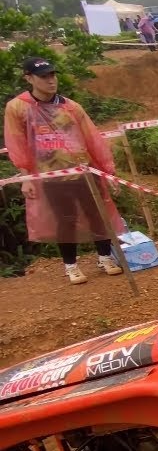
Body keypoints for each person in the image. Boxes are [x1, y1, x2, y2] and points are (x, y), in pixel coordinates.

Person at [4, 57, 125, 285]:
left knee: (97, 214)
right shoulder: (18, 108)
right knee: (65, 220)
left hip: (83, 172)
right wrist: (25, 177)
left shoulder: (70, 107)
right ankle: (71, 266)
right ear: (29, 78)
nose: (51, 81)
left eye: (53, 75)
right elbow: (16, 143)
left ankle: (105, 258)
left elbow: (92, 139)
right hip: (52, 176)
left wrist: (107, 171)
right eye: (44, 77)